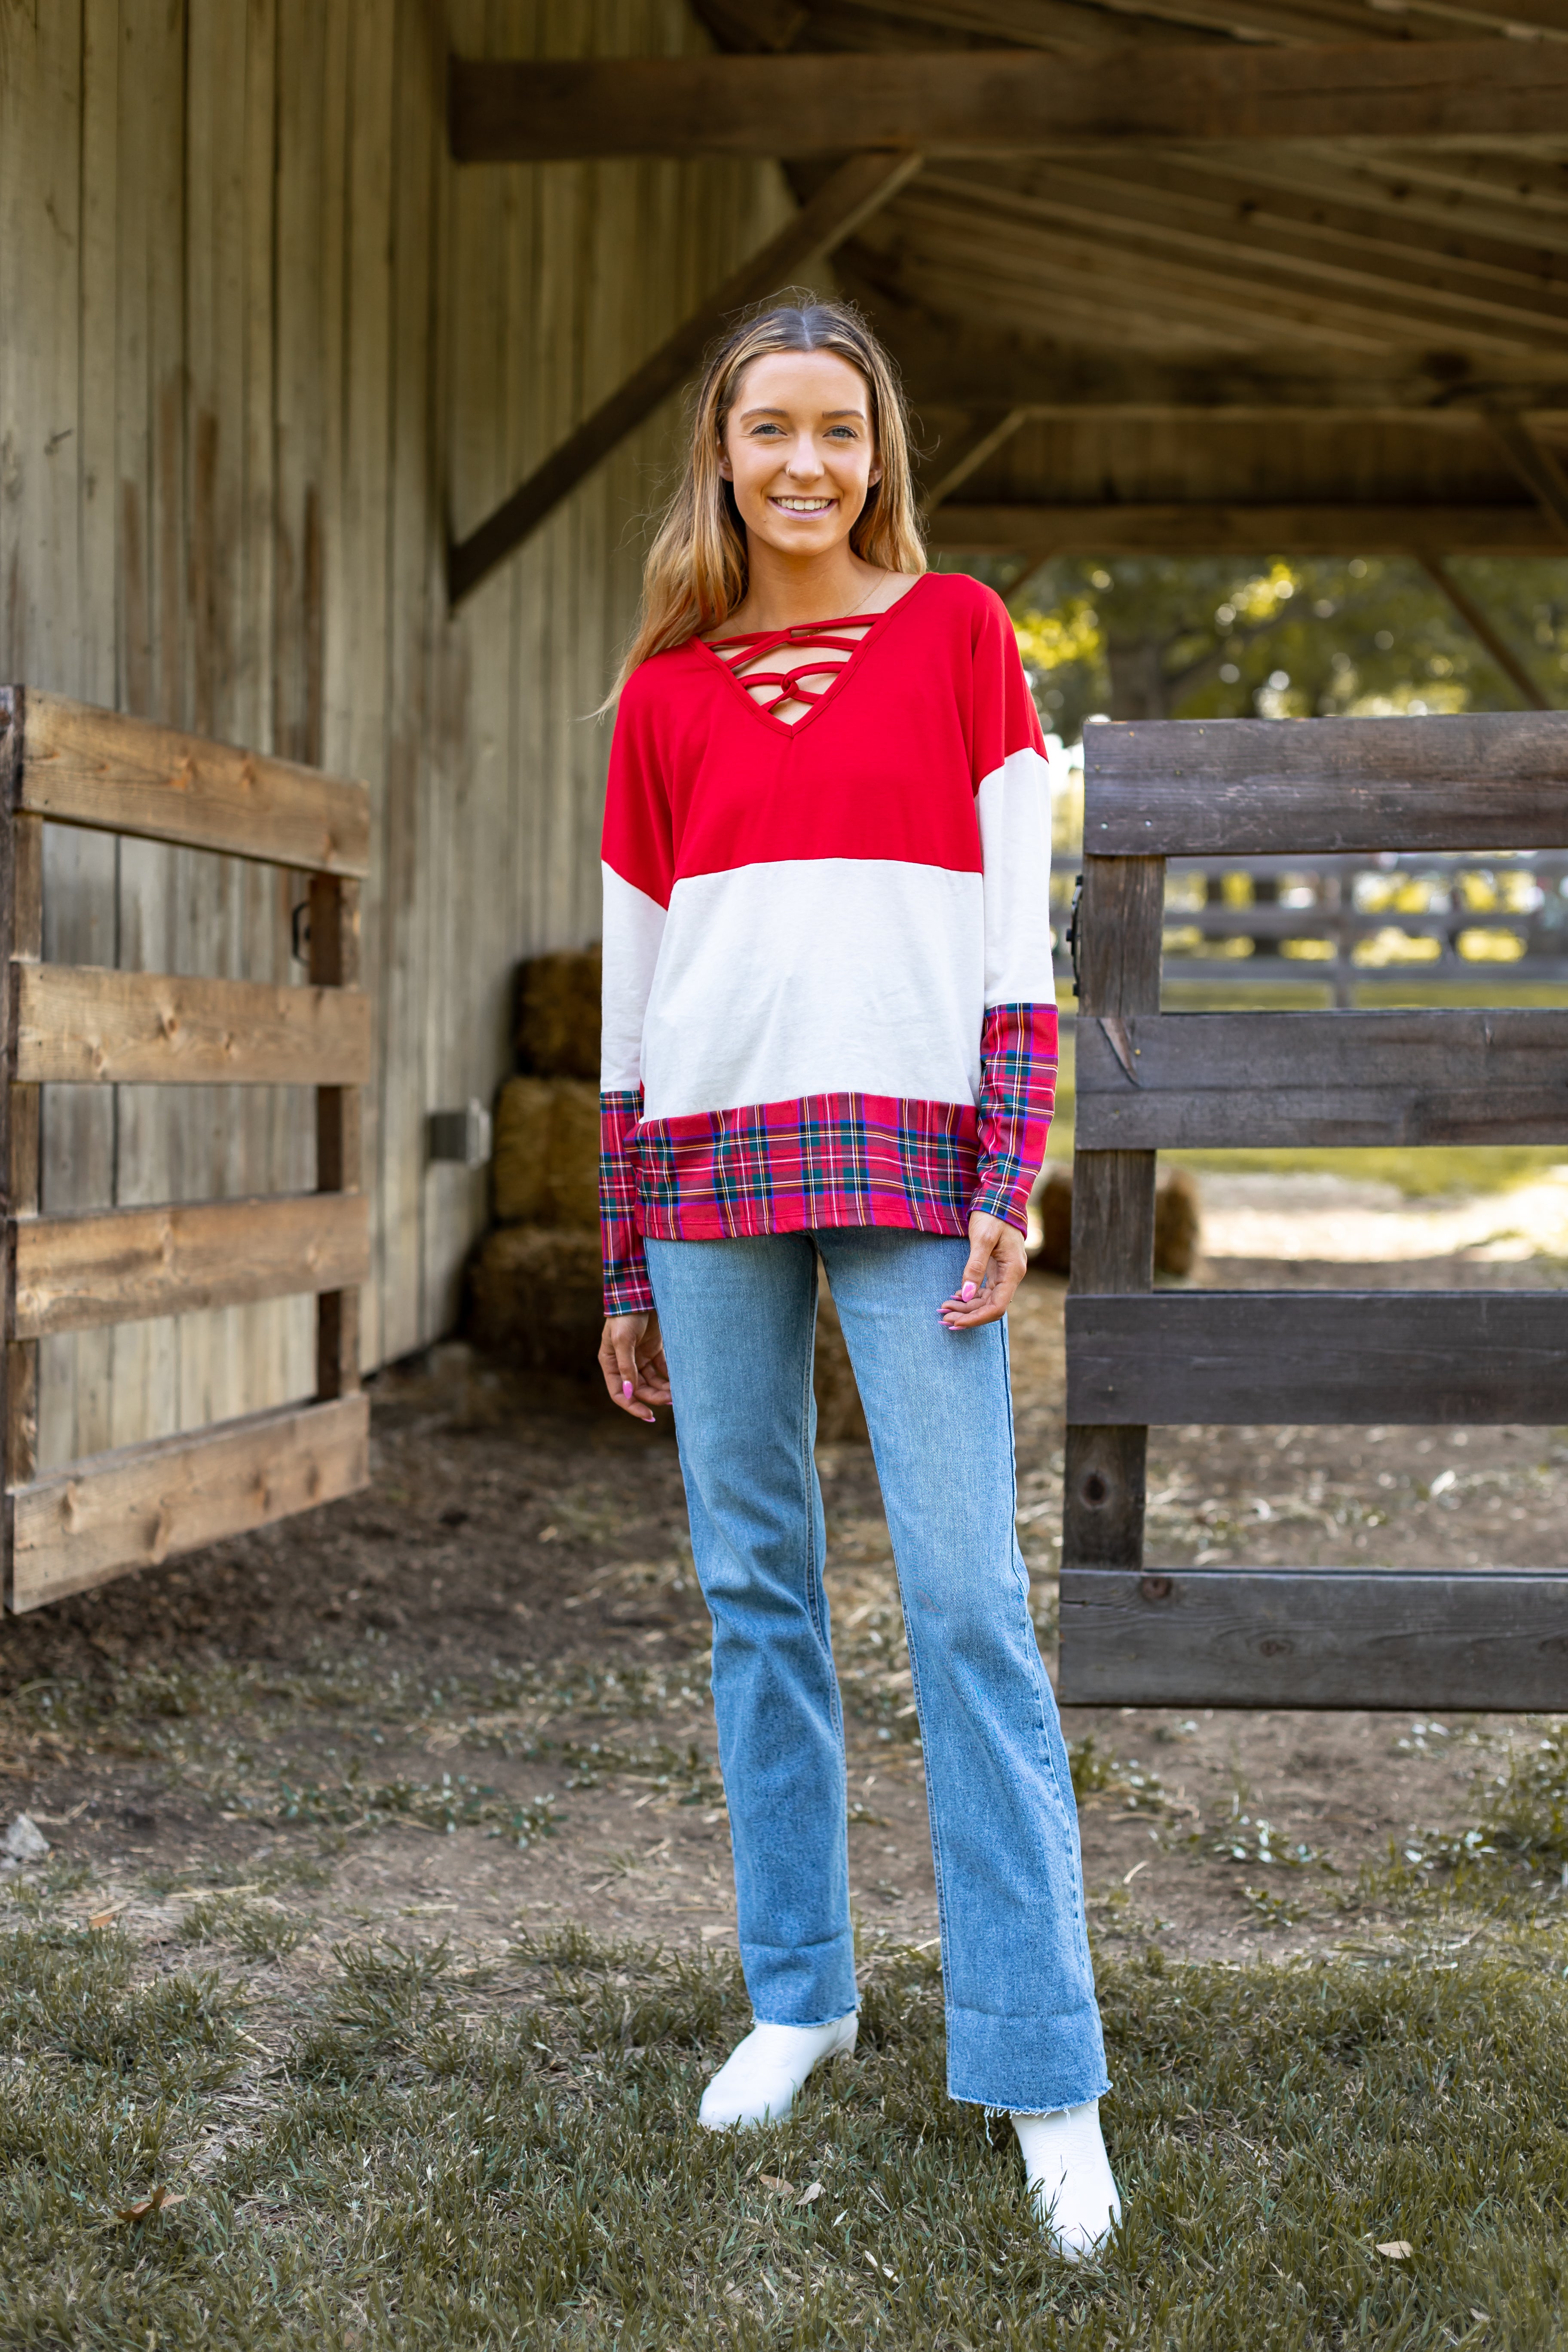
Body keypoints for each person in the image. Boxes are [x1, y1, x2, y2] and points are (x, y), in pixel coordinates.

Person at [594, 293, 1119, 2260]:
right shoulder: (661, 696)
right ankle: (800, 1994)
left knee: (971, 1600)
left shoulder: (961, 635)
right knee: (756, 1589)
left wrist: (1013, 1163)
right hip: (709, 1174)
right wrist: (620, 1247)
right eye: (767, 433)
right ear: (722, 457)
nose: (803, 464)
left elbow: (1014, 931)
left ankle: (1042, 2057)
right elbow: (637, 1001)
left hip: (914, 1167)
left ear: (879, 448)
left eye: (837, 430)